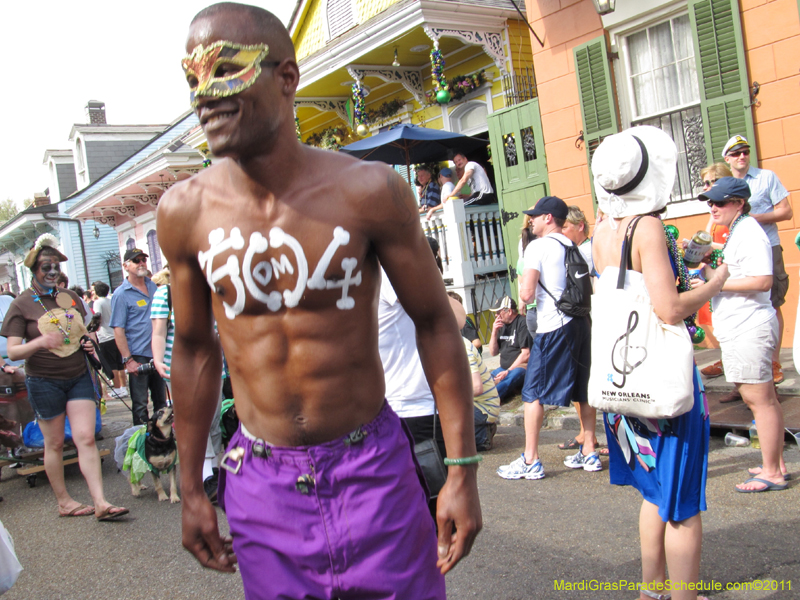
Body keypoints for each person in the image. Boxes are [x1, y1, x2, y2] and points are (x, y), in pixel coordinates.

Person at [157, 4, 481, 598]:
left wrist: (460, 469)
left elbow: (436, 323)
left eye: (225, 69)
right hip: (260, 484)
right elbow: (196, 350)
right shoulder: (184, 212)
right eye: (192, 80)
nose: (205, 94)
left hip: (373, 472)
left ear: (286, 77)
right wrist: (193, 486)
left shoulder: (369, 191)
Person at [591, 126, 729, 600]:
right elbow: (669, 308)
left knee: (654, 491)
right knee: (682, 502)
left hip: (622, 378)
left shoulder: (601, 229)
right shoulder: (646, 227)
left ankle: (654, 588)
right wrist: (716, 282)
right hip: (661, 379)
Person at [0, 234, 128, 520]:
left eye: (56, 265)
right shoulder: (21, 304)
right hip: (43, 380)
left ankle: (100, 502)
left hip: (78, 375)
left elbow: (83, 331)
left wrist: (86, 342)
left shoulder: (69, 298)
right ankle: (64, 502)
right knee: (55, 443)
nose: (53, 271)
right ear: (34, 270)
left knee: (85, 437)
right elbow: (13, 351)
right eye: (47, 266)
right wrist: (40, 342)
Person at [698, 177, 789, 490]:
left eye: (719, 202)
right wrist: (712, 257)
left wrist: (714, 284)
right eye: (710, 201)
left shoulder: (749, 231)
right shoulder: (740, 229)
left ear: (738, 203)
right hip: (743, 326)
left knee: (759, 400)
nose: (713, 207)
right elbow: (736, 268)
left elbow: (762, 280)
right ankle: (774, 463)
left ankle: (772, 472)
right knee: (762, 400)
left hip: (748, 326)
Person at [497, 196, 597, 480]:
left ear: (549, 218)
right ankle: (589, 450)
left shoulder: (537, 247)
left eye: (536, 216)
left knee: (532, 392)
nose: (532, 220)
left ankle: (530, 459)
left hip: (553, 326)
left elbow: (527, 295)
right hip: (580, 323)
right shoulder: (571, 244)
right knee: (582, 388)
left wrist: (522, 283)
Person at [723, 135, 792, 384]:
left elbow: (786, 211)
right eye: (737, 153)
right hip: (735, 250)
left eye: (746, 152)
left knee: (772, 302)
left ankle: (773, 361)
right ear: (727, 158)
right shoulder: (725, 183)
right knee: (738, 301)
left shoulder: (766, 177)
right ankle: (736, 360)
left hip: (767, 247)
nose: (743, 156)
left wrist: (750, 219)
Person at [151, 267, 223, 502]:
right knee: (196, 422)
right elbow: (159, 332)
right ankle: (203, 479)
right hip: (182, 367)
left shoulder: (214, 291)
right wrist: (159, 360)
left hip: (215, 365)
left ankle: (210, 473)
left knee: (213, 421)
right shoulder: (166, 294)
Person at [110, 248, 167, 426]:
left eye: (143, 259)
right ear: (126, 266)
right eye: (136, 260)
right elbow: (118, 330)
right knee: (141, 404)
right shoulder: (121, 294)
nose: (141, 263)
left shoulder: (153, 286)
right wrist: (128, 360)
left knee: (162, 403)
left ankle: (163, 441)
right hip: (138, 355)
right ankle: (141, 444)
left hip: (158, 353)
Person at [697, 163, 733, 380]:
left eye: (712, 182)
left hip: (729, 277)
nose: (707, 186)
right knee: (720, 323)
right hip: (715, 274)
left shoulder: (730, 211)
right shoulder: (715, 211)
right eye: (705, 183)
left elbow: (732, 244)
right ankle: (729, 366)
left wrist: (710, 248)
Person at [487, 297, 531, 401]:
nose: (496, 315)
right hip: (503, 368)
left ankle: (490, 401)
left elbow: (526, 354)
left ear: (509, 311)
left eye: (498, 312)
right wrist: (494, 332)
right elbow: (493, 352)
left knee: (508, 379)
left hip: (521, 367)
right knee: (484, 381)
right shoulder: (501, 325)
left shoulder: (522, 323)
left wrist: (508, 371)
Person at [92, 281, 128, 398]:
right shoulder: (111, 300)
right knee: (120, 364)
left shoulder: (98, 302)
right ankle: (124, 387)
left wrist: (93, 327)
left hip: (105, 336)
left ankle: (117, 388)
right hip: (115, 335)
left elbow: (98, 317)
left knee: (111, 364)